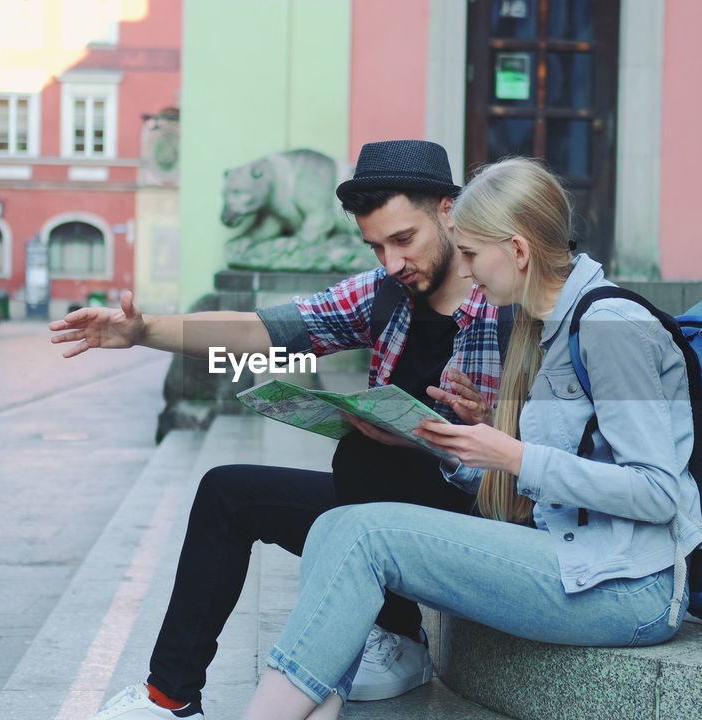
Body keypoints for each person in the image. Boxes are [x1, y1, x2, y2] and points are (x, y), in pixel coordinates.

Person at [50, 140, 509, 720]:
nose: (391, 262)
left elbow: (554, 453)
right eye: (376, 247)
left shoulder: (507, 301)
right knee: (229, 492)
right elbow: (262, 331)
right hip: (378, 518)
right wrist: (143, 332)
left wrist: (481, 428)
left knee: (373, 464)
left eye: (403, 240)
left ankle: (392, 630)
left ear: (448, 209)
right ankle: (169, 699)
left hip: (473, 529)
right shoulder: (384, 293)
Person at [237, 157, 702, 720]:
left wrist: (511, 452)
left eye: (470, 253)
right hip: (574, 557)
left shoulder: (610, 328)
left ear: (517, 250)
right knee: (337, 524)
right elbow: (541, 477)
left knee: (363, 533)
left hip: (631, 588)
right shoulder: (545, 326)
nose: (465, 271)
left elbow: (659, 493)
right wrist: (459, 443)